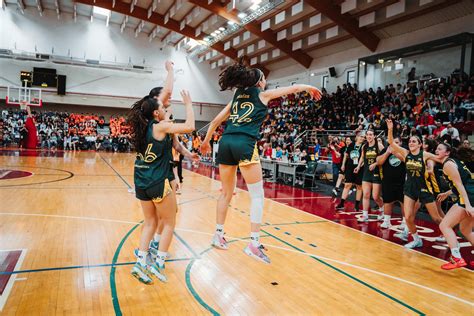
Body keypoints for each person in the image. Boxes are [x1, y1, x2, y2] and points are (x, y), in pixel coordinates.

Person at [200, 58, 322, 264]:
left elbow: (214, 121)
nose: (266, 81)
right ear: (259, 82)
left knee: (226, 193)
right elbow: (289, 89)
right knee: (257, 196)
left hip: (226, 142)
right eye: (264, 78)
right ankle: (253, 244)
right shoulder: (262, 94)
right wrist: (308, 86)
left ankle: (218, 235)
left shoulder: (237, 97)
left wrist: (205, 142)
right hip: (244, 143)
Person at [128, 90, 196, 285]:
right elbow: (190, 126)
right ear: (156, 114)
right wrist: (189, 104)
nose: (166, 109)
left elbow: (175, 145)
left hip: (141, 181)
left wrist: (189, 155)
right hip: (157, 181)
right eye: (162, 108)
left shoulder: (144, 128)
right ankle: (158, 264)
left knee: (150, 222)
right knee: (169, 222)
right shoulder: (160, 126)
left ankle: (140, 264)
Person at [386, 119, 443, 249]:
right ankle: (417, 239)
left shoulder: (425, 155)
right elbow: (391, 142)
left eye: (414, 141)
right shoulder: (406, 153)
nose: (411, 143)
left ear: (420, 144)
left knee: (436, 218)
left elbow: (440, 159)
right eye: (410, 141)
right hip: (410, 188)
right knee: (408, 216)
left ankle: (448, 233)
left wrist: (445, 155)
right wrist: (390, 129)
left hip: (424, 189)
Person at [436, 144, 474, 270]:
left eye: (440, 149)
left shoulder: (448, 164)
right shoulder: (454, 161)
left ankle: (456, 258)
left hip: (469, 197)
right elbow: (462, 182)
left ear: (447, 153)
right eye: (436, 148)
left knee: (444, 225)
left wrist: (468, 205)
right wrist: (447, 193)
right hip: (471, 194)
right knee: (465, 230)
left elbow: (460, 185)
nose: (436, 150)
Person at [376, 136, 406, 229]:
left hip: (402, 181)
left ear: (400, 143)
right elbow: (379, 161)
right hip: (388, 181)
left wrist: (396, 153)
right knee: (387, 201)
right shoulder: (385, 150)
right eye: (392, 142)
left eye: (396, 142)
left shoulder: (404, 150)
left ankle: (404, 222)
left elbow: (407, 160)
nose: (393, 144)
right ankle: (386, 221)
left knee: (403, 203)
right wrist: (387, 153)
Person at [355, 129, 384, 222]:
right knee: (366, 195)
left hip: (376, 173)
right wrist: (358, 167)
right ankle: (365, 215)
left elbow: (384, 158)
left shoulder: (379, 145)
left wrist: (375, 164)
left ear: (374, 136)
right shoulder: (365, 146)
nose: (369, 136)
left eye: (371, 134)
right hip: (367, 173)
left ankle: (382, 208)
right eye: (367, 135)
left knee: (375, 196)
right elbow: (362, 157)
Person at [336, 134, 364, 211]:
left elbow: (364, 158)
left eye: (363, 137)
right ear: (357, 137)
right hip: (350, 166)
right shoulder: (351, 145)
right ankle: (341, 203)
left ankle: (357, 205)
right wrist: (343, 164)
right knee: (347, 184)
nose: (362, 138)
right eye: (361, 136)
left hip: (360, 168)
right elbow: (346, 155)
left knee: (359, 186)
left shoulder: (364, 146)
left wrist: (359, 166)